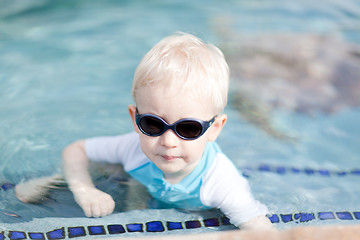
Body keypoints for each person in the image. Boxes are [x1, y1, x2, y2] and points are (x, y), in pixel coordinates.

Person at [16, 32, 273, 230]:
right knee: (107, 165)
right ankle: (53, 181)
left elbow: (260, 228)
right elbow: (76, 150)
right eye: (153, 124)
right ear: (134, 118)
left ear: (215, 129)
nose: (168, 141)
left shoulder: (222, 184)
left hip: (192, 206)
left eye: (188, 128)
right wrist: (84, 189)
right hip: (141, 183)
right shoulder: (133, 146)